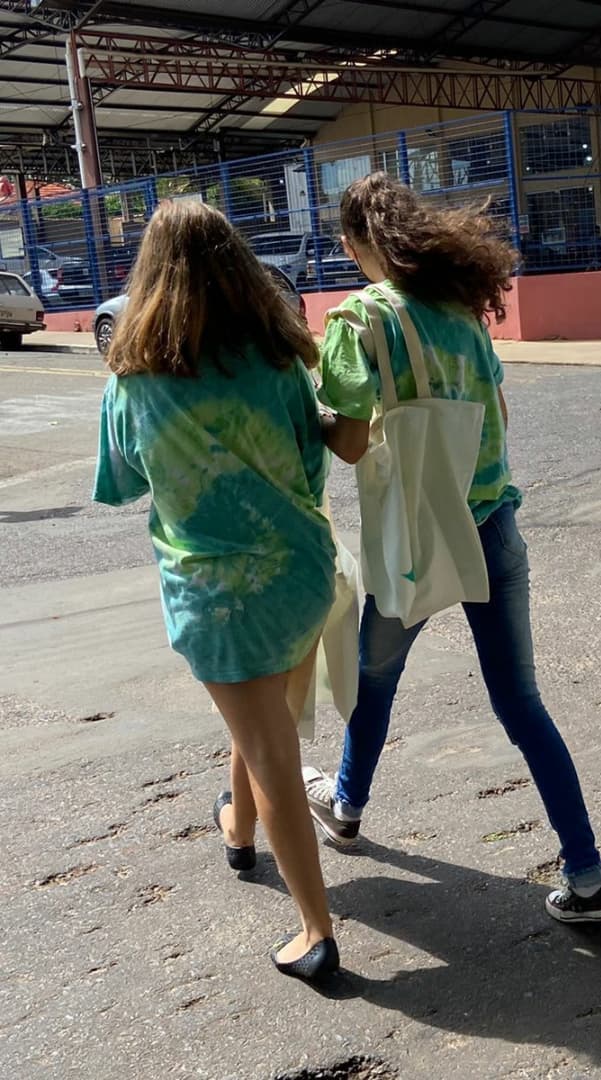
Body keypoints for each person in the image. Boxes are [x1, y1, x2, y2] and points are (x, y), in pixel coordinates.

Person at [302, 172, 601, 923]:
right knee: (521, 703)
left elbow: (349, 444)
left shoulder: (360, 320)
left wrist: (310, 414)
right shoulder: (464, 312)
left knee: (374, 680)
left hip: (416, 535)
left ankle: (347, 807)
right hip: (492, 524)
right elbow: (495, 413)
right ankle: (586, 874)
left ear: (354, 244)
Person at [92, 200, 340, 979]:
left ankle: (316, 931)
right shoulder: (279, 362)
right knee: (262, 717)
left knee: (269, 746)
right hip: (302, 571)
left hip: (217, 596)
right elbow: (310, 463)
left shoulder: (133, 384)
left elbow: (121, 482)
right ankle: (238, 829)